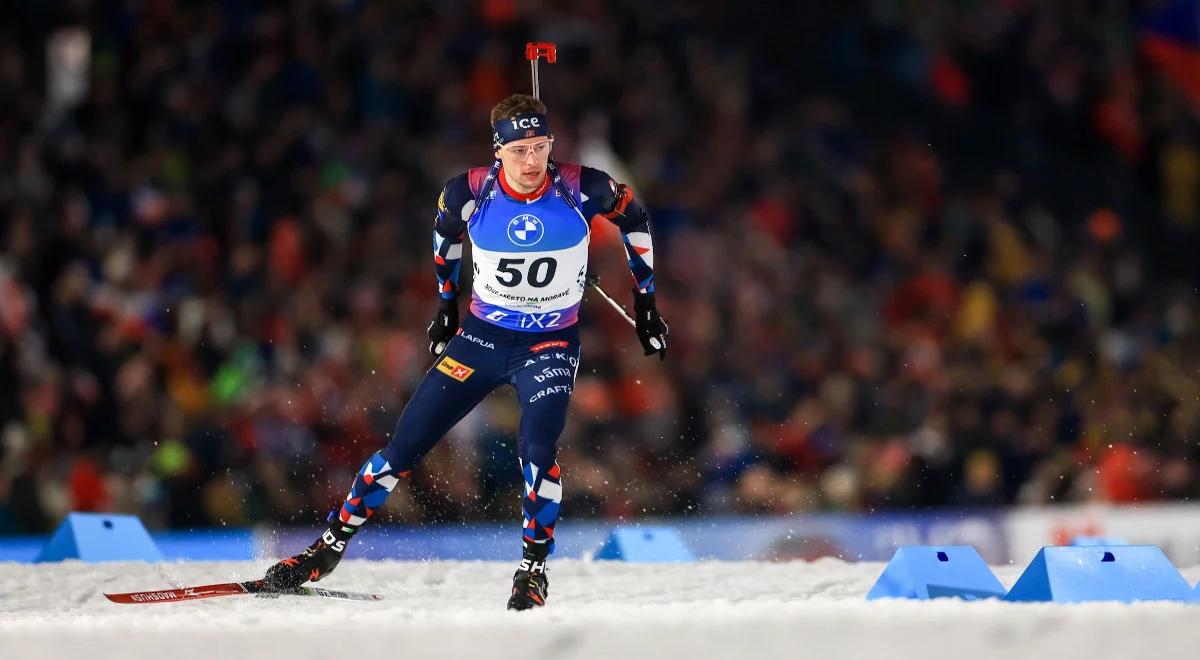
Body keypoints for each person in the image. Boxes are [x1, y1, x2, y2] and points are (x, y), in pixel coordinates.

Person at [263, 93, 669, 610]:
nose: (531, 161)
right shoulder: (469, 192)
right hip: (481, 339)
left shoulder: (581, 186)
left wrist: (646, 303)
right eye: (520, 149)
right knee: (401, 451)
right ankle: (326, 549)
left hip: (548, 343)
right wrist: (445, 308)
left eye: (540, 146)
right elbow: (444, 239)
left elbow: (634, 218)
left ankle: (533, 570)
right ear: (498, 151)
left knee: (538, 453)